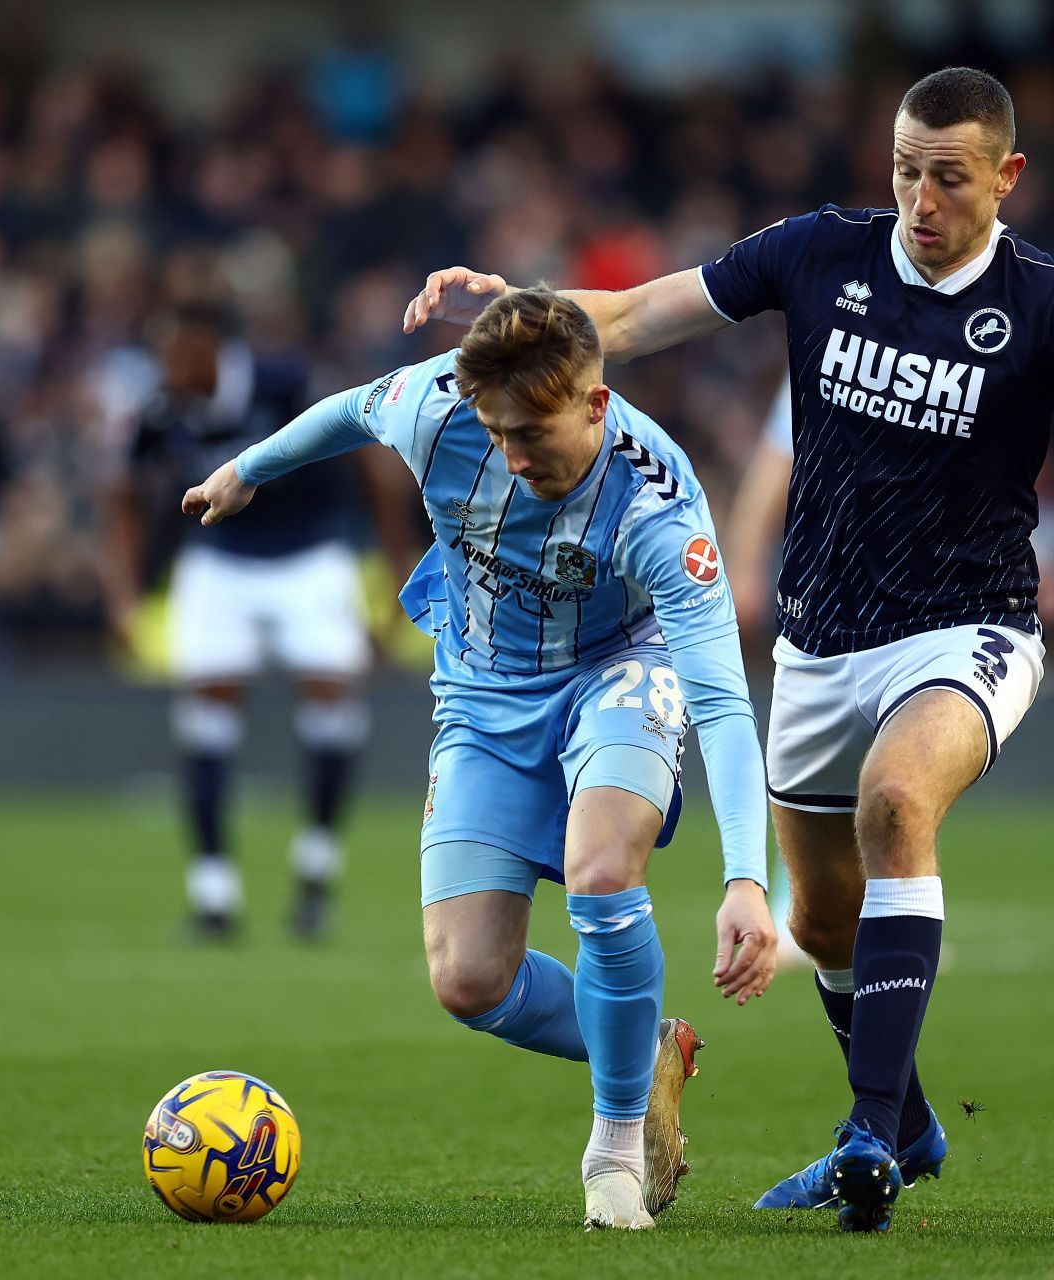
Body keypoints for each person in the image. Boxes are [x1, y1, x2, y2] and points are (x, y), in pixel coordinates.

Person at [402, 67, 1054, 1232]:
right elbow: (626, 317)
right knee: (827, 922)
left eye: (948, 176)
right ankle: (915, 1122)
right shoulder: (819, 252)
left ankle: (868, 1134)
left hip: (969, 626)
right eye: (904, 170)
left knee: (896, 803)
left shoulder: (1045, 301)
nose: (919, 198)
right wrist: (518, 312)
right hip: (820, 643)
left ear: (1005, 177)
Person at [182, 289, 779, 1230]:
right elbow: (350, 411)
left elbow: (721, 700)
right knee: (468, 981)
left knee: (601, 867)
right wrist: (245, 472)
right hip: (482, 696)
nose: (512, 455)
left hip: (617, 674)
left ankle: (616, 1151)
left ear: (593, 403)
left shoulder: (660, 508)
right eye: (497, 432)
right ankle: (646, 1045)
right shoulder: (437, 406)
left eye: (533, 432)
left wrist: (749, 878)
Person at [99, 303, 407, 942]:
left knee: (334, 699)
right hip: (220, 562)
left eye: (178, 353)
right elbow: (125, 494)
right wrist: (125, 594)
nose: (168, 370)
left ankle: (316, 870)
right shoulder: (164, 409)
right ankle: (213, 891)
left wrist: (392, 562)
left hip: (310, 556)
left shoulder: (286, 384)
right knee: (207, 709)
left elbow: (369, 463)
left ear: (212, 348)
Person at [724, 379, 810, 971]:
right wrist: (745, 565)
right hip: (830, 576)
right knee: (808, 740)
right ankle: (797, 903)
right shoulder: (836, 334)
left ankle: (853, 903)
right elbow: (775, 461)